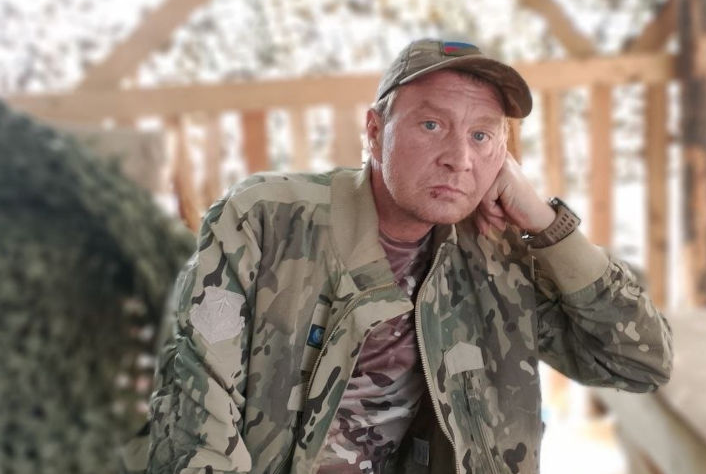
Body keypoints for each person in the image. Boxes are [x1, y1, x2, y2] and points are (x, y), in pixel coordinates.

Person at [145, 39, 673, 474]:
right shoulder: (265, 220)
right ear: (375, 133)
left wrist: (546, 223)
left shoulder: (499, 251)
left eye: (482, 135)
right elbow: (195, 406)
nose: (459, 159)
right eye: (431, 126)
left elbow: (641, 362)